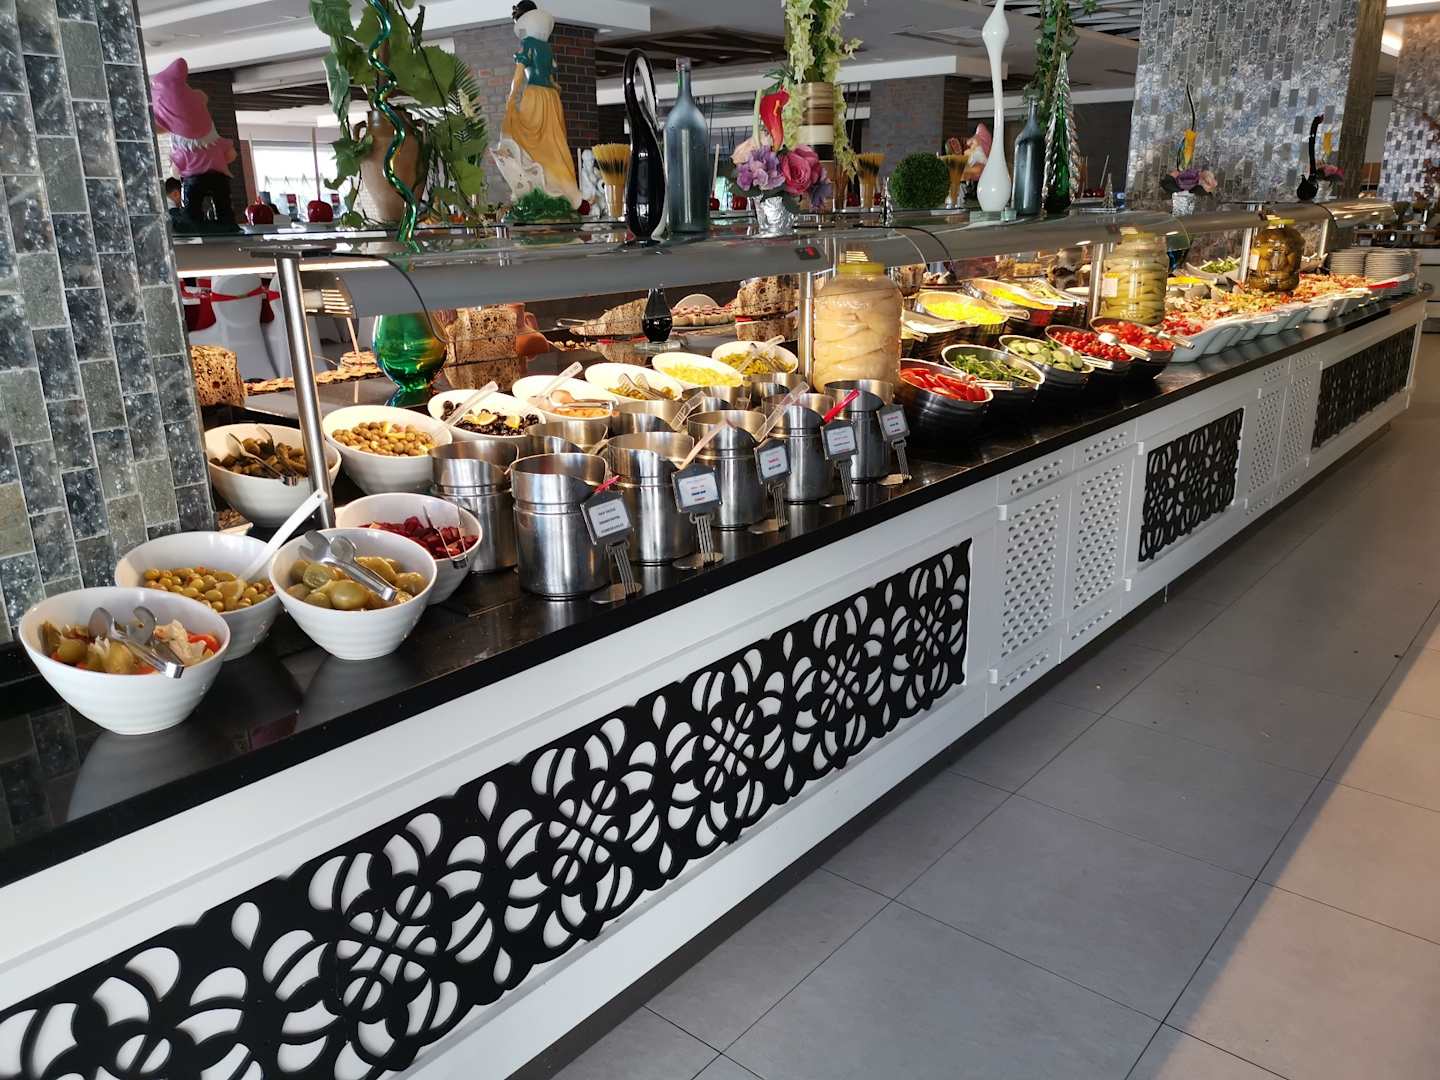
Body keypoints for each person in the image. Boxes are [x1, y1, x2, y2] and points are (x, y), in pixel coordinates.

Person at [500, 1, 580, 207]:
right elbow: (552, 77)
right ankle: (559, 186)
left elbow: (519, 74)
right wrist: (555, 88)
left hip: (535, 95)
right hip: (551, 98)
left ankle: (543, 185)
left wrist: (511, 96)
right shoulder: (546, 46)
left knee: (529, 140)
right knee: (554, 143)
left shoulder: (528, 43)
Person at [151, 57, 239, 231]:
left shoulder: (183, 150)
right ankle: (227, 222)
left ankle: (194, 223)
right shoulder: (215, 142)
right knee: (223, 204)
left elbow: (175, 172)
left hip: (193, 179)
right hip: (220, 177)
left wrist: (176, 169)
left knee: (192, 207)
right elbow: (231, 155)